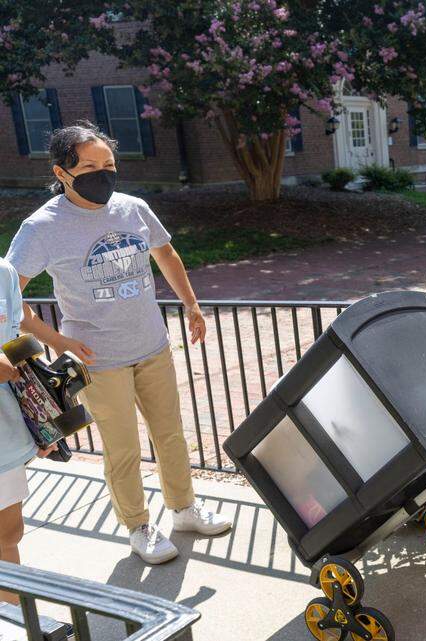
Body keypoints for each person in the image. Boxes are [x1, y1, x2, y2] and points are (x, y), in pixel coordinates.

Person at [6, 121, 232, 566]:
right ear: (62, 171)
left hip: (152, 345)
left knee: (171, 435)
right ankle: (139, 527)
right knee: (123, 447)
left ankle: (184, 509)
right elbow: (10, 297)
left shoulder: (133, 208)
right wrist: (58, 339)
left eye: (108, 164)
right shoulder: (42, 227)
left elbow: (165, 254)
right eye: (89, 166)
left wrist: (190, 304)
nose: (103, 173)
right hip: (98, 359)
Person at [0, 256, 56, 603]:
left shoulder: (4, 272)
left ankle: (12, 621)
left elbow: (14, 344)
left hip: (6, 437)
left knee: (9, 533)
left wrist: (40, 424)